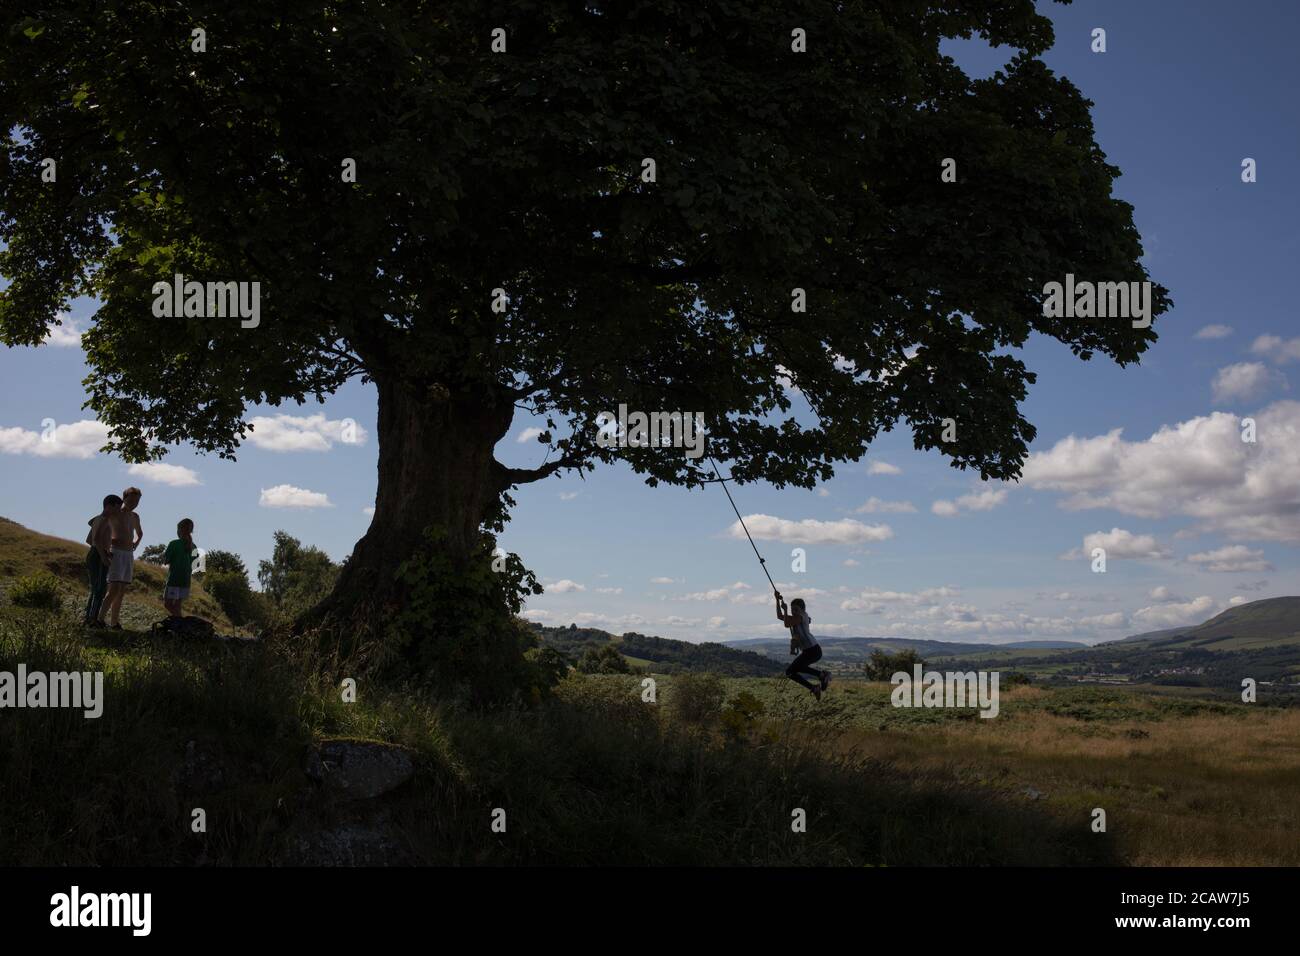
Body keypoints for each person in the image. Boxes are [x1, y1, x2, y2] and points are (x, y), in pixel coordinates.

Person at [100, 486, 143, 630]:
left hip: (128, 554)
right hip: (116, 552)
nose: (134, 503)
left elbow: (140, 533)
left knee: (121, 590)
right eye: (131, 500)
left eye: (136, 501)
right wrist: (108, 543)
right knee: (113, 588)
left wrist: (135, 543)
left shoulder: (135, 516)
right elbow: (100, 522)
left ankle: (114, 622)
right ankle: (99, 619)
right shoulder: (115, 513)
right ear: (124, 499)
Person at [775, 591, 831, 700]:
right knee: (791, 672)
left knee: (791, 671)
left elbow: (786, 624)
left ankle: (820, 679)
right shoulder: (798, 617)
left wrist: (786, 610)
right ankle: (818, 681)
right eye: (792, 609)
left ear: (802, 609)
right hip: (809, 651)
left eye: (796, 609)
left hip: (813, 650)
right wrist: (777, 600)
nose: (794, 611)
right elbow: (779, 616)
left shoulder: (801, 617)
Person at [84, 494, 121, 627]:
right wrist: (104, 556)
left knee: (96, 589)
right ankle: (92, 620)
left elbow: (89, 540)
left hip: (96, 554)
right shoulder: (104, 519)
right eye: (117, 507)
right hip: (97, 556)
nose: (118, 511)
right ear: (108, 506)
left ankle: (89, 618)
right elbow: (96, 540)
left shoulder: (97, 519)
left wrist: (106, 551)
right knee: (99, 589)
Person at [162, 519, 198, 618]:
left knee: (168, 604)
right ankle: (179, 626)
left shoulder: (173, 544)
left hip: (174, 579)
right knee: (177, 605)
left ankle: (180, 623)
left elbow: (166, 561)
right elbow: (194, 564)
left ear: (180, 530)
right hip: (186, 580)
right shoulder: (194, 547)